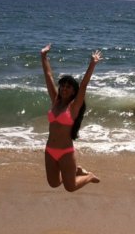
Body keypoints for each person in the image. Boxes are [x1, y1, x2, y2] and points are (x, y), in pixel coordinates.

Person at [41, 44, 102, 192]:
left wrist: (92, 64)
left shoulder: (74, 107)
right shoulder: (55, 101)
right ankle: (76, 171)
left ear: (74, 91)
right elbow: (49, 76)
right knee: (54, 183)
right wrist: (43, 56)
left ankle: (89, 176)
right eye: (63, 86)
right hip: (50, 150)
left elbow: (84, 85)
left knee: (70, 187)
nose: (64, 88)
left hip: (66, 152)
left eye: (68, 87)